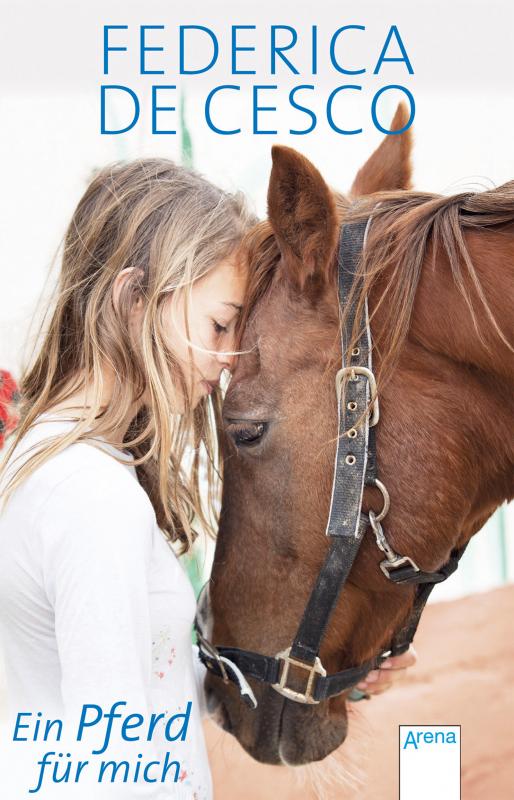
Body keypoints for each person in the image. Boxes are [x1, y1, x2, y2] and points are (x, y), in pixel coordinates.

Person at [0, 158, 414, 799]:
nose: (226, 363)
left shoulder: (70, 469)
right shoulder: (89, 496)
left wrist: (335, 676)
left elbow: (145, 690)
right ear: (132, 298)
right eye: (219, 325)